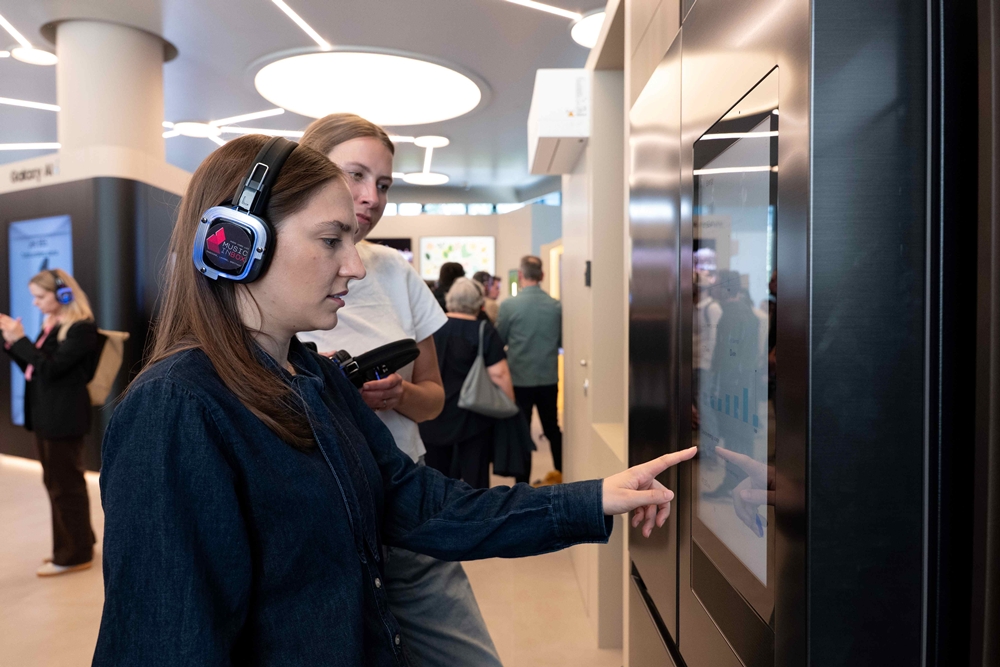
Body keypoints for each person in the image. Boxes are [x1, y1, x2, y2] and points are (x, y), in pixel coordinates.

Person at [92, 134, 696, 665]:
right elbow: (164, 644)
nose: (354, 266)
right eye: (331, 240)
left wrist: (592, 499)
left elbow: (422, 504)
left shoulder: (315, 378)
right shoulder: (175, 410)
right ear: (236, 244)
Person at [296, 113, 498, 667]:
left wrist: (398, 394)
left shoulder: (394, 272)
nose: (370, 197)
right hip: (322, 514)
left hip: (406, 497)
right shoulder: (277, 278)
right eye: (355, 176)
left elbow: (434, 397)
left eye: (383, 184)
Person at [0, 269, 101, 576]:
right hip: (48, 415)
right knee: (58, 483)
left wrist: (21, 341)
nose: (35, 303)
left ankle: (73, 555)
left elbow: (51, 370)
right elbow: (34, 369)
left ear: (63, 295)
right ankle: (75, 545)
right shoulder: (53, 325)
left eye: (40, 296)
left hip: (63, 417)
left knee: (64, 486)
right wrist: (13, 343)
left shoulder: (81, 328)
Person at [420, 278, 513, 488]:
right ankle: (475, 518)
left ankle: (440, 517)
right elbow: (500, 374)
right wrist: (509, 405)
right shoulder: (483, 331)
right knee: (475, 479)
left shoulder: (430, 326)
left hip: (432, 413)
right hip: (472, 417)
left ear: (449, 300)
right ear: (479, 303)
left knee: (435, 478)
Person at [496, 255, 564, 486]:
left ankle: (522, 486)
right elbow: (562, 341)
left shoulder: (508, 306)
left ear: (521, 275)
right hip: (548, 378)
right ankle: (562, 476)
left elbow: (500, 340)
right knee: (552, 429)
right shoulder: (556, 307)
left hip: (519, 379)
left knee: (521, 434)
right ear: (542, 275)